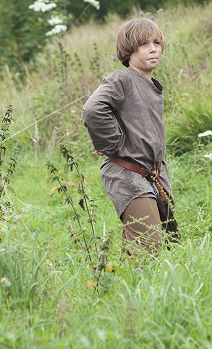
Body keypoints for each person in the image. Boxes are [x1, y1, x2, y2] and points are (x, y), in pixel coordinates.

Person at [82, 17, 178, 255]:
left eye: (156, 42)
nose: (153, 48)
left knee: (165, 243)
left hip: (152, 175)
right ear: (128, 50)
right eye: (144, 44)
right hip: (128, 174)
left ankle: (122, 289)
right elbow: (93, 109)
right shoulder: (122, 79)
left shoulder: (151, 84)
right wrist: (112, 143)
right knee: (148, 244)